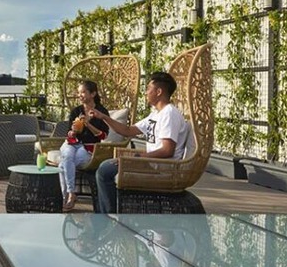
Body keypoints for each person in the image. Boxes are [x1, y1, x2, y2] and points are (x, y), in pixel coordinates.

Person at [90, 71, 191, 214]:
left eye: (148, 89)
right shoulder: (156, 114)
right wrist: (104, 117)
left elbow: (168, 150)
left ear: (159, 91)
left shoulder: (169, 114)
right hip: (151, 164)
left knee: (104, 170)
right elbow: (127, 130)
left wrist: (137, 158)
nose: (146, 93)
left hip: (162, 169)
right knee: (105, 167)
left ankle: (108, 217)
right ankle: (107, 215)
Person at [58, 80, 109, 211]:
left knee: (64, 163)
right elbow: (68, 134)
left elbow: (103, 136)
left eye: (83, 92)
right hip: (72, 143)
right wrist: (73, 132)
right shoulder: (76, 111)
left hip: (88, 147)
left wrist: (88, 124)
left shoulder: (101, 112)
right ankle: (71, 193)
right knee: (68, 156)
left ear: (93, 94)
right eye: (79, 92)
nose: (80, 95)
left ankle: (66, 196)